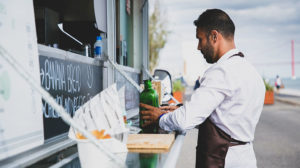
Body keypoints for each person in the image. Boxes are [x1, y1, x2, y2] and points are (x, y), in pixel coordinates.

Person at [140, 9, 265, 168]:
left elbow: (184, 121)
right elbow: (225, 119)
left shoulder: (221, 72)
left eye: (200, 39)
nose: (199, 47)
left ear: (214, 36)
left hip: (222, 159)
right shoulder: (251, 72)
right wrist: (178, 109)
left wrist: (159, 118)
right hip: (245, 158)